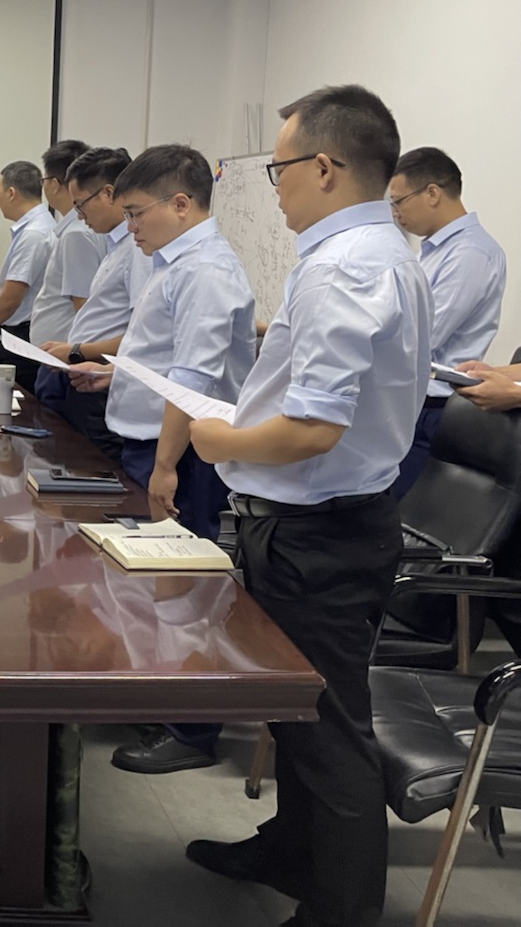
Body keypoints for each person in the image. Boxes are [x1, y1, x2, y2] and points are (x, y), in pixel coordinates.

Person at [185, 85, 428, 927]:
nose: (275, 188)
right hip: (327, 524)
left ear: (324, 167)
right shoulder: (379, 252)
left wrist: (220, 439)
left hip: (318, 534)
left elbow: (314, 429)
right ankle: (291, 851)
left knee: (329, 733)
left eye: (278, 169)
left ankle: (342, 911)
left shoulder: (343, 266)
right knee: (297, 715)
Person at [68, 144, 256, 775]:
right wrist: (114, 373)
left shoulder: (205, 271)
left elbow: (192, 378)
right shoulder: (172, 263)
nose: (129, 227)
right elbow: (159, 354)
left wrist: (167, 465)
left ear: (180, 204)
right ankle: (159, 698)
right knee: (150, 581)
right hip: (150, 441)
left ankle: (192, 730)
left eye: (136, 213)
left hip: (181, 453)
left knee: (183, 588)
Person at [387, 147, 505, 498]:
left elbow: (422, 335)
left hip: (435, 409)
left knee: (399, 510)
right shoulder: (434, 251)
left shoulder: (470, 253)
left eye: (399, 202)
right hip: (411, 403)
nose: (395, 214)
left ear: (432, 193)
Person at [35, 147, 149, 462]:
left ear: (108, 193)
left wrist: (76, 351)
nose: (80, 216)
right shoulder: (118, 247)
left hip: (101, 380)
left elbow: (141, 334)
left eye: (81, 205)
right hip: (87, 374)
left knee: (97, 467)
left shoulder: (139, 251)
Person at [30, 139, 106, 404]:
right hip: (67, 358)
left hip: (66, 363)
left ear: (54, 183)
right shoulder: (81, 229)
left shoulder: (77, 234)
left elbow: (82, 305)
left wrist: (77, 352)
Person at [0, 160, 55, 391]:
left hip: (22, 341)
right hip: (22, 335)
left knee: (20, 407)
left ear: (11, 193)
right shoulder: (41, 227)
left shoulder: (34, 234)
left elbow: (11, 297)